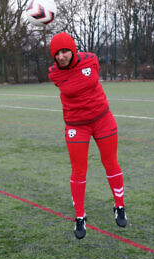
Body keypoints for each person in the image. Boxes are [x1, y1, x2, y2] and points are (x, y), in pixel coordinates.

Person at [48, 32, 128, 239]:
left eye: (65, 51)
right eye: (57, 53)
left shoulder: (91, 60)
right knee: (78, 170)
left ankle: (119, 206)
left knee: (111, 162)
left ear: (73, 50)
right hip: (76, 125)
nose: (62, 56)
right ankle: (80, 217)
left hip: (103, 119)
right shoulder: (54, 74)